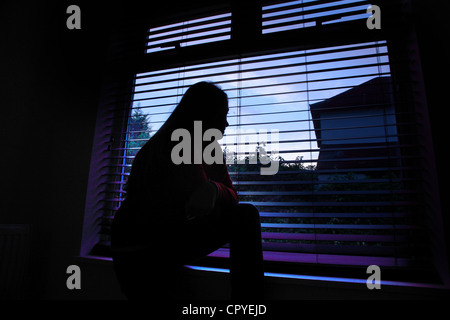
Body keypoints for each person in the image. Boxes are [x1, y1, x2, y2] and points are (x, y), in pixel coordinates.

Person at [111, 81, 264, 300]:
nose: (227, 123)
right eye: (223, 114)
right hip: (141, 251)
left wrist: (215, 188)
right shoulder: (175, 145)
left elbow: (231, 196)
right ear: (204, 114)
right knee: (246, 216)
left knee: (244, 214)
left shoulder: (208, 149)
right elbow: (200, 204)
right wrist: (213, 191)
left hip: (160, 242)